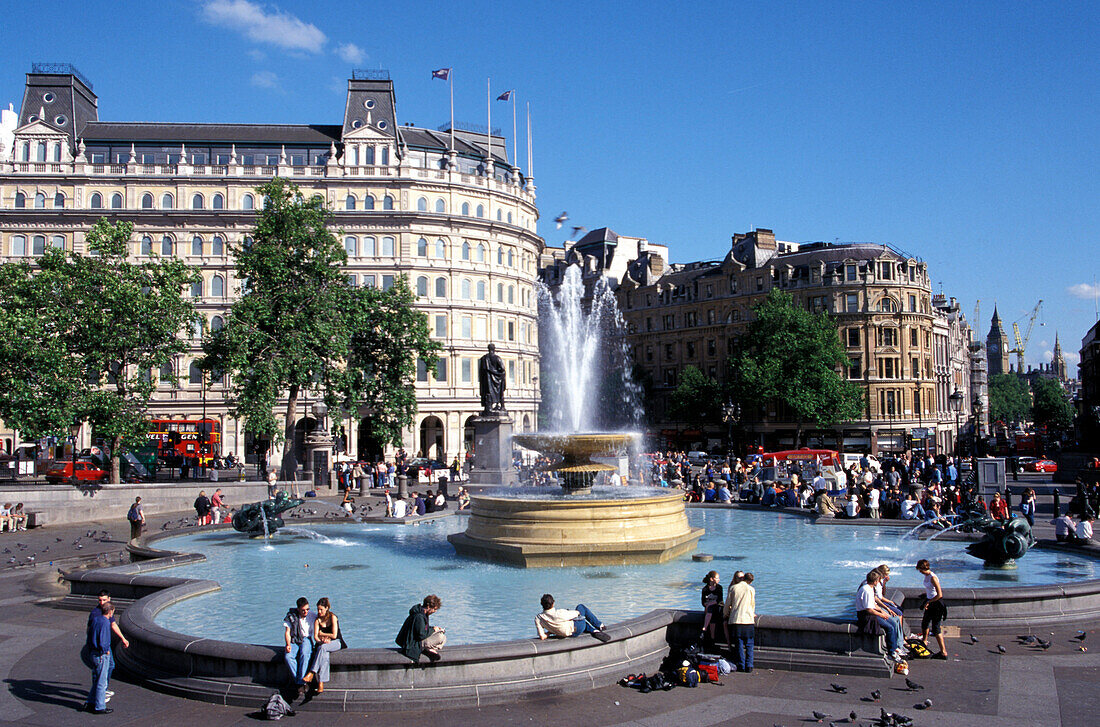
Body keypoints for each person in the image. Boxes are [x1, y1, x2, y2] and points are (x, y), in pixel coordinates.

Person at [84, 600, 128, 714]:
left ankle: (90, 702)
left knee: (98, 679)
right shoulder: (105, 622)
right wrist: (106, 651)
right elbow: (103, 640)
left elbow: (89, 636)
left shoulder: (96, 619)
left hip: (93, 653)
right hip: (101, 655)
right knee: (101, 682)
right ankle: (99, 706)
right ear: (110, 611)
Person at [855, 570, 904, 661]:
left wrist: (883, 611)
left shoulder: (869, 588)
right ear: (875, 581)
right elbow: (869, 609)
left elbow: (873, 604)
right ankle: (891, 651)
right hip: (867, 616)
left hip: (872, 613)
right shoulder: (866, 590)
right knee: (890, 627)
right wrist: (881, 615)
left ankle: (896, 647)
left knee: (893, 623)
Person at [302, 597, 343, 694]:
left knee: (323, 648)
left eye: (321, 609)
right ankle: (321, 683)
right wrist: (322, 640)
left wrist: (322, 634)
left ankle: (312, 672)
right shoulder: (317, 620)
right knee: (324, 652)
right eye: (318, 609)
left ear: (327, 608)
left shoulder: (333, 617)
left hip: (336, 642)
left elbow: (334, 635)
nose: (319, 612)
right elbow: (315, 637)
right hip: (323, 644)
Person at [534, 594, 611, 642]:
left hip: (565, 634)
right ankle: (599, 625)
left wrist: (550, 632)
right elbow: (577, 613)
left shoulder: (538, 618)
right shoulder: (559, 613)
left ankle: (594, 630)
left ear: (542, 605)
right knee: (581, 607)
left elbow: (542, 636)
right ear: (553, 603)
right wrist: (570, 612)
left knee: (579, 621)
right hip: (577, 629)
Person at [396, 594, 447, 662]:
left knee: (443, 636)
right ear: (428, 606)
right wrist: (433, 630)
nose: (435, 611)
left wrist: (434, 629)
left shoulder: (421, 613)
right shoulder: (419, 616)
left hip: (414, 641)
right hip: (413, 644)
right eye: (434, 609)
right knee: (441, 637)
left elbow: (421, 628)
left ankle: (429, 649)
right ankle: (427, 649)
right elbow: (421, 634)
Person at [723, 571, 756, 672]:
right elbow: (752, 604)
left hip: (736, 619)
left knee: (739, 644)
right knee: (749, 644)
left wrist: (726, 614)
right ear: (750, 581)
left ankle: (741, 665)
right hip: (748, 620)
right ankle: (749, 665)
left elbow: (727, 604)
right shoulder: (751, 589)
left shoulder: (733, 588)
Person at [283, 597, 316, 697]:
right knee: (288, 657)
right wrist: (288, 644)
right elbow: (287, 632)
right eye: (303, 610)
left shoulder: (312, 615)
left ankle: (300, 683)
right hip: (294, 639)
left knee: (305, 654)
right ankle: (300, 681)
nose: (306, 612)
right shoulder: (291, 616)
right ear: (298, 609)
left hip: (306, 638)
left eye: (307, 609)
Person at [916, 559, 948, 660]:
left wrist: (929, 602)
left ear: (923, 568)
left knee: (936, 628)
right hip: (930, 601)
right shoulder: (926, 576)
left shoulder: (933, 577)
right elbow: (931, 590)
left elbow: (939, 594)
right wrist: (926, 596)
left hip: (937, 604)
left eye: (920, 569)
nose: (919, 572)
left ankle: (943, 652)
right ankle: (924, 642)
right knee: (925, 623)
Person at [699, 571, 724, 644]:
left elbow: (720, 600)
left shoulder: (719, 587)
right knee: (711, 616)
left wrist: (709, 604)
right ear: (711, 579)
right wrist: (707, 604)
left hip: (718, 607)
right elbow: (703, 602)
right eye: (717, 578)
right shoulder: (705, 589)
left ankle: (705, 628)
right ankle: (712, 638)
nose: (719, 579)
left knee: (711, 609)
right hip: (709, 609)